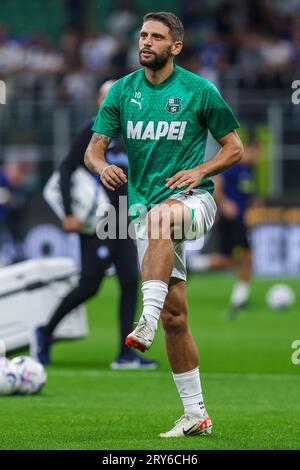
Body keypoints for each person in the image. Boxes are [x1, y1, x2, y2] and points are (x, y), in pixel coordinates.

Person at [84, 12, 243, 437]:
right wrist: (101, 167)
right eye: (142, 35)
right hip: (143, 213)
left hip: (194, 200)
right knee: (177, 317)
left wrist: (200, 170)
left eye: (156, 37)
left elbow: (234, 148)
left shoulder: (199, 90)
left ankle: (144, 319)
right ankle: (196, 414)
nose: (146, 42)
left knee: (161, 218)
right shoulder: (122, 91)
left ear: (175, 46)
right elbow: (93, 150)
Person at [31, 80, 158, 370]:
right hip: (97, 221)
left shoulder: (134, 133)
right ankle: (45, 332)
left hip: (123, 219)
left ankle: (125, 353)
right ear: (100, 102)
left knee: (129, 281)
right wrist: (67, 213)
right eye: (107, 97)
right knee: (90, 286)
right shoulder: (94, 130)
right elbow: (66, 168)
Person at [188, 141, 260, 317]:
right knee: (234, 260)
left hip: (241, 221)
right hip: (231, 221)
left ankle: (239, 299)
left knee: (243, 259)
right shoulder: (234, 168)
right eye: (258, 151)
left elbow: (247, 196)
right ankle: (193, 264)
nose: (259, 156)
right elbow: (217, 188)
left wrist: (253, 207)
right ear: (250, 149)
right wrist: (226, 204)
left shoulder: (250, 171)